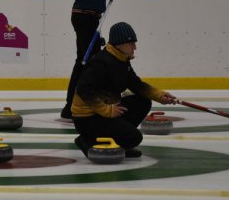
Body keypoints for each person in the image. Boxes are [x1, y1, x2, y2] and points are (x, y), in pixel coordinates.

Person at [61, 0, 176, 119]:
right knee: (85, 62)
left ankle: (79, 102)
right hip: (85, 17)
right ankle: (72, 106)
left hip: (86, 16)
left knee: (87, 61)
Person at [71, 22, 177, 158]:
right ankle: (87, 139)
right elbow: (83, 89)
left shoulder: (121, 60)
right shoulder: (101, 62)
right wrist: (107, 110)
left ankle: (119, 141)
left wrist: (160, 96)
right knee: (134, 138)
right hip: (87, 118)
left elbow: (137, 85)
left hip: (105, 110)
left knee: (142, 102)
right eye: (131, 43)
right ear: (119, 44)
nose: (135, 47)